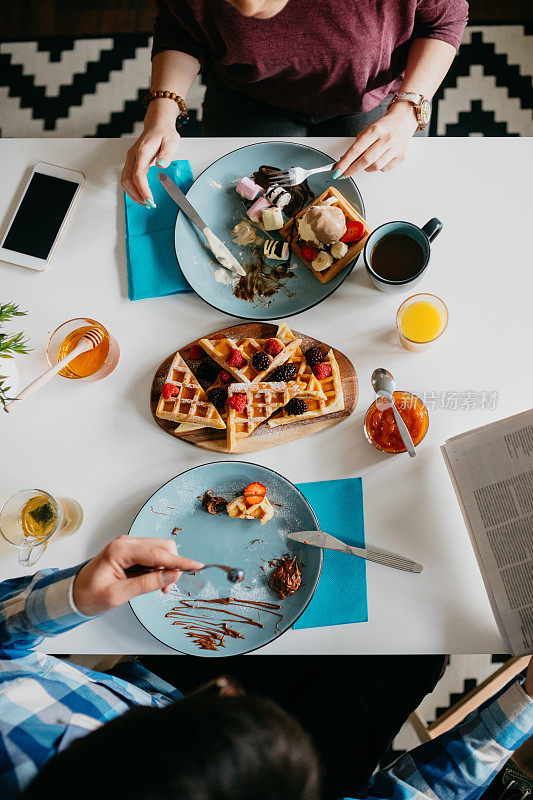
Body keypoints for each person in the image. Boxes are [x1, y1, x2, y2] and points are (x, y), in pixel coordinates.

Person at [1, 536, 532, 799]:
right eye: (224, 694)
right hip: (329, 760)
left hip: (160, 686)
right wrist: (527, 697)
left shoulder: (11, 722)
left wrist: (68, 597)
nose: (229, 682)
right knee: (412, 652)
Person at [121, 0, 468, 208]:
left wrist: (408, 112)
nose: (247, 13)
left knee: (383, 207)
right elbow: (182, 27)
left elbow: (444, 20)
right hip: (247, 96)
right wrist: (161, 112)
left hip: (379, 98)